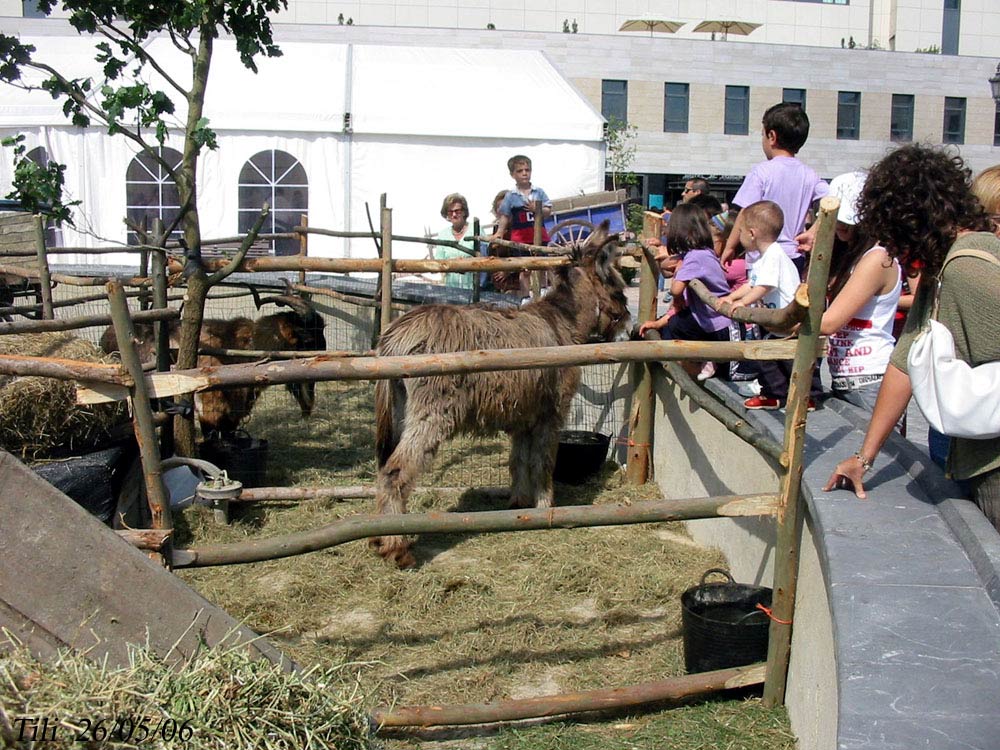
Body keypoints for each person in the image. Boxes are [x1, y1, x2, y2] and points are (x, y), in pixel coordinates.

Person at [824, 145, 1000, 533]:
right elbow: (904, 361)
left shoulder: (968, 269)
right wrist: (864, 458)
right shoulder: (942, 267)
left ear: (909, 222)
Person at [720, 200, 817, 410]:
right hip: (777, 324)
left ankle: (805, 395)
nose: (739, 237)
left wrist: (742, 304)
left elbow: (763, 287)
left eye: (741, 232)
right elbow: (751, 284)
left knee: (792, 361)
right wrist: (732, 297)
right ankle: (776, 393)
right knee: (770, 358)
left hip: (790, 323)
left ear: (752, 233)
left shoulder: (774, 255)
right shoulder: (764, 258)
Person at [820, 171, 901, 414]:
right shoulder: (850, 255)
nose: (840, 226)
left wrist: (783, 323)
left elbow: (829, 322)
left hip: (869, 381)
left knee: (878, 453)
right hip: (848, 379)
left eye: (848, 221)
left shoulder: (877, 258)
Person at [722, 102, 828, 276]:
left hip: (761, 256)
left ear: (771, 136)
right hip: (793, 255)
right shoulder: (810, 175)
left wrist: (730, 246)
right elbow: (835, 201)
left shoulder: (761, 172)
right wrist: (813, 230)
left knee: (760, 300)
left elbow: (745, 213)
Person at [637, 203, 731, 377]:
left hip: (716, 327)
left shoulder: (695, 258)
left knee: (674, 327)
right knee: (672, 325)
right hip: (714, 323)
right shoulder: (703, 252)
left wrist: (680, 270)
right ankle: (698, 360)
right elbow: (666, 267)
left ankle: (699, 363)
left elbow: (676, 289)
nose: (667, 233)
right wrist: (662, 249)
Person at [433, 193, 475, 290]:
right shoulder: (443, 234)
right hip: (451, 290)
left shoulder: (476, 230)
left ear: (464, 212)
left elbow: (485, 257)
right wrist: (453, 263)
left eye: (457, 211)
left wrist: (465, 263)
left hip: (474, 290)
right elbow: (439, 262)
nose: (454, 214)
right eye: (450, 212)